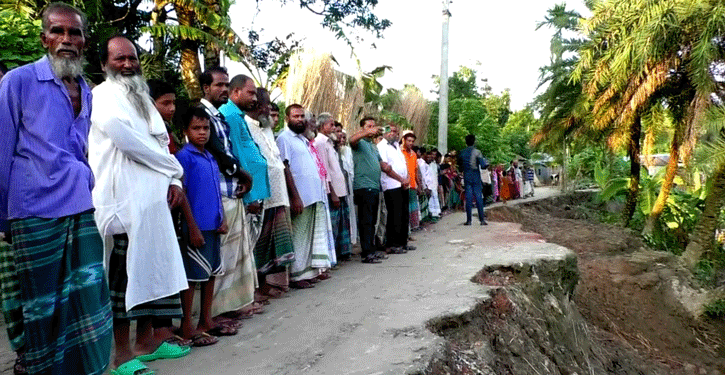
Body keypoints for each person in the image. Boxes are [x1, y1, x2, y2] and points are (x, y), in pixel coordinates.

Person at [0, 4, 113, 374]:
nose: (67, 39)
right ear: (44, 37)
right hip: (33, 212)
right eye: (58, 31)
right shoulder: (17, 81)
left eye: (75, 33)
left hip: (79, 206)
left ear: (83, 40)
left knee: (89, 296)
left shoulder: (87, 90)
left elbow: (79, 149)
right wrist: (2, 218)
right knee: (42, 306)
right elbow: (2, 148)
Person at [90, 35, 191, 374]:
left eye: (132, 57)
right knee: (122, 283)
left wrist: (174, 181)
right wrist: (175, 169)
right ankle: (121, 356)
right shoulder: (101, 97)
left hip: (154, 208)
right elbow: (130, 143)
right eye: (120, 58)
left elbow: (162, 144)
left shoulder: (144, 100)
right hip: (122, 207)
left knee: (150, 272)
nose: (128, 64)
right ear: (105, 63)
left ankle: (147, 343)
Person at [197, 67, 260, 325]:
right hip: (218, 191)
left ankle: (233, 305)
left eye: (225, 85)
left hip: (231, 189)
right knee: (223, 255)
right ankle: (216, 312)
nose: (223, 90)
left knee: (234, 252)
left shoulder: (218, 116)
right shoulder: (203, 116)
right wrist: (240, 172)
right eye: (218, 85)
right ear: (205, 88)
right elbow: (215, 152)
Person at [174, 105, 229, 346]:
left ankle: (206, 320)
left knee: (211, 274)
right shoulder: (184, 157)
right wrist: (192, 227)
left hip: (213, 224)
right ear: (185, 131)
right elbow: (182, 194)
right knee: (192, 278)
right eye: (196, 128)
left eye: (206, 128)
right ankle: (187, 326)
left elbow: (216, 191)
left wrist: (223, 217)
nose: (202, 133)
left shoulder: (209, 157)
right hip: (195, 227)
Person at [246, 89, 295, 297]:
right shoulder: (247, 126)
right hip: (263, 195)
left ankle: (267, 284)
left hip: (278, 195)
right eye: (264, 105)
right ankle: (255, 289)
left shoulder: (266, 129)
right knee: (259, 244)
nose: (267, 109)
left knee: (273, 245)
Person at [277, 104, 331, 287]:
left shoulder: (303, 139)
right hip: (300, 198)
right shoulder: (284, 138)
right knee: (298, 237)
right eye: (295, 116)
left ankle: (308, 272)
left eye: (302, 116)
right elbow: (285, 168)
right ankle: (296, 276)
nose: (300, 119)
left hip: (314, 196)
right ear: (287, 119)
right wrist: (295, 197)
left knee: (309, 237)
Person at [350, 117, 407, 263]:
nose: (373, 128)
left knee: (373, 220)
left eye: (374, 126)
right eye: (369, 126)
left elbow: (384, 166)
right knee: (366, 221)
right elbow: (351, 140)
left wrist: (401, 179)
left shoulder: (373, 146)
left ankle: (372, 250)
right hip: (364, 186)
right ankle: (367, 253)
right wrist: (366, 132)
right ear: (362, 128)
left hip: (375, 187)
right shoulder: (359, 143)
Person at [315, 113, 353, 261]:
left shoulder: (330, 143)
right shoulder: (320, 142)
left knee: (342, 223)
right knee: (333, 224)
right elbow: (324, 170)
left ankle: (342, 253)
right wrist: (333, 193)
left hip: (340, 189)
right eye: (331, 125)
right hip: (333, 191)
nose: (333, 127)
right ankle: (332, 257)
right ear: (323, 126)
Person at [376, 124, 412, 254]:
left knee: (403, 214)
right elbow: (385, 168)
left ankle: (403, 242)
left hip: (403, 184)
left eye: (395, 131)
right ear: (384, 132)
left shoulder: (397, 146)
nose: (393, 133)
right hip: (391, 185)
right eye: (390, 131)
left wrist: (407, 178)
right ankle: (393, 244)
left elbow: (404, 164)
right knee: (394, 215)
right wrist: (401, 180)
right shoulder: (381, 146)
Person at [337, 127, 359, 246]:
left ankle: (352, 239)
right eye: (339, 136)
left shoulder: (347, 150)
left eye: (343, 137)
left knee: (350, 213)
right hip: (339, 187)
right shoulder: (334, 150)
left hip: (349, 185)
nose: (341, 139)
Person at [460, 134, 488, 225]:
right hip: (475, 175)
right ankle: (482, 220)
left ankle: (469, 221)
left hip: (467, 176)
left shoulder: (462, 152)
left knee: (468, 197)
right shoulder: (477, 152)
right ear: (474, 141)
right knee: (478, 197)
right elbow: (483, 166)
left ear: (466, 142)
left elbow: (460, 167)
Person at [148, 79, 183, 154]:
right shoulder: (148, 131)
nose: (172, 108)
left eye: (173, 103)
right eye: (166, 103)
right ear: (150, 103)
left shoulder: (166, 128)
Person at [401, 132, 421, 231]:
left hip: (413, 185)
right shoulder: (399, 152)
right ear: (403, 140)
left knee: (413, 209)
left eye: (412, 141)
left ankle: (411, 230)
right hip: (403, 185)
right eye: (409, 141)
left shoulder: (413, 154)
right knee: (404, 210)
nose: (410, 143)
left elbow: (415, 170)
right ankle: (406, 232)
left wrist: (419, 185)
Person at [427, 149, 442, 221]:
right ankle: (433, 213)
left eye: (434, 155)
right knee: (431, 198)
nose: (433, 156)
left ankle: (437, 212)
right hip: (430, 183)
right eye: (432, 154)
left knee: (435, 197)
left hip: (435, 183)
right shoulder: (428, 164)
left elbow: (436, 175)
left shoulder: (434, 164)